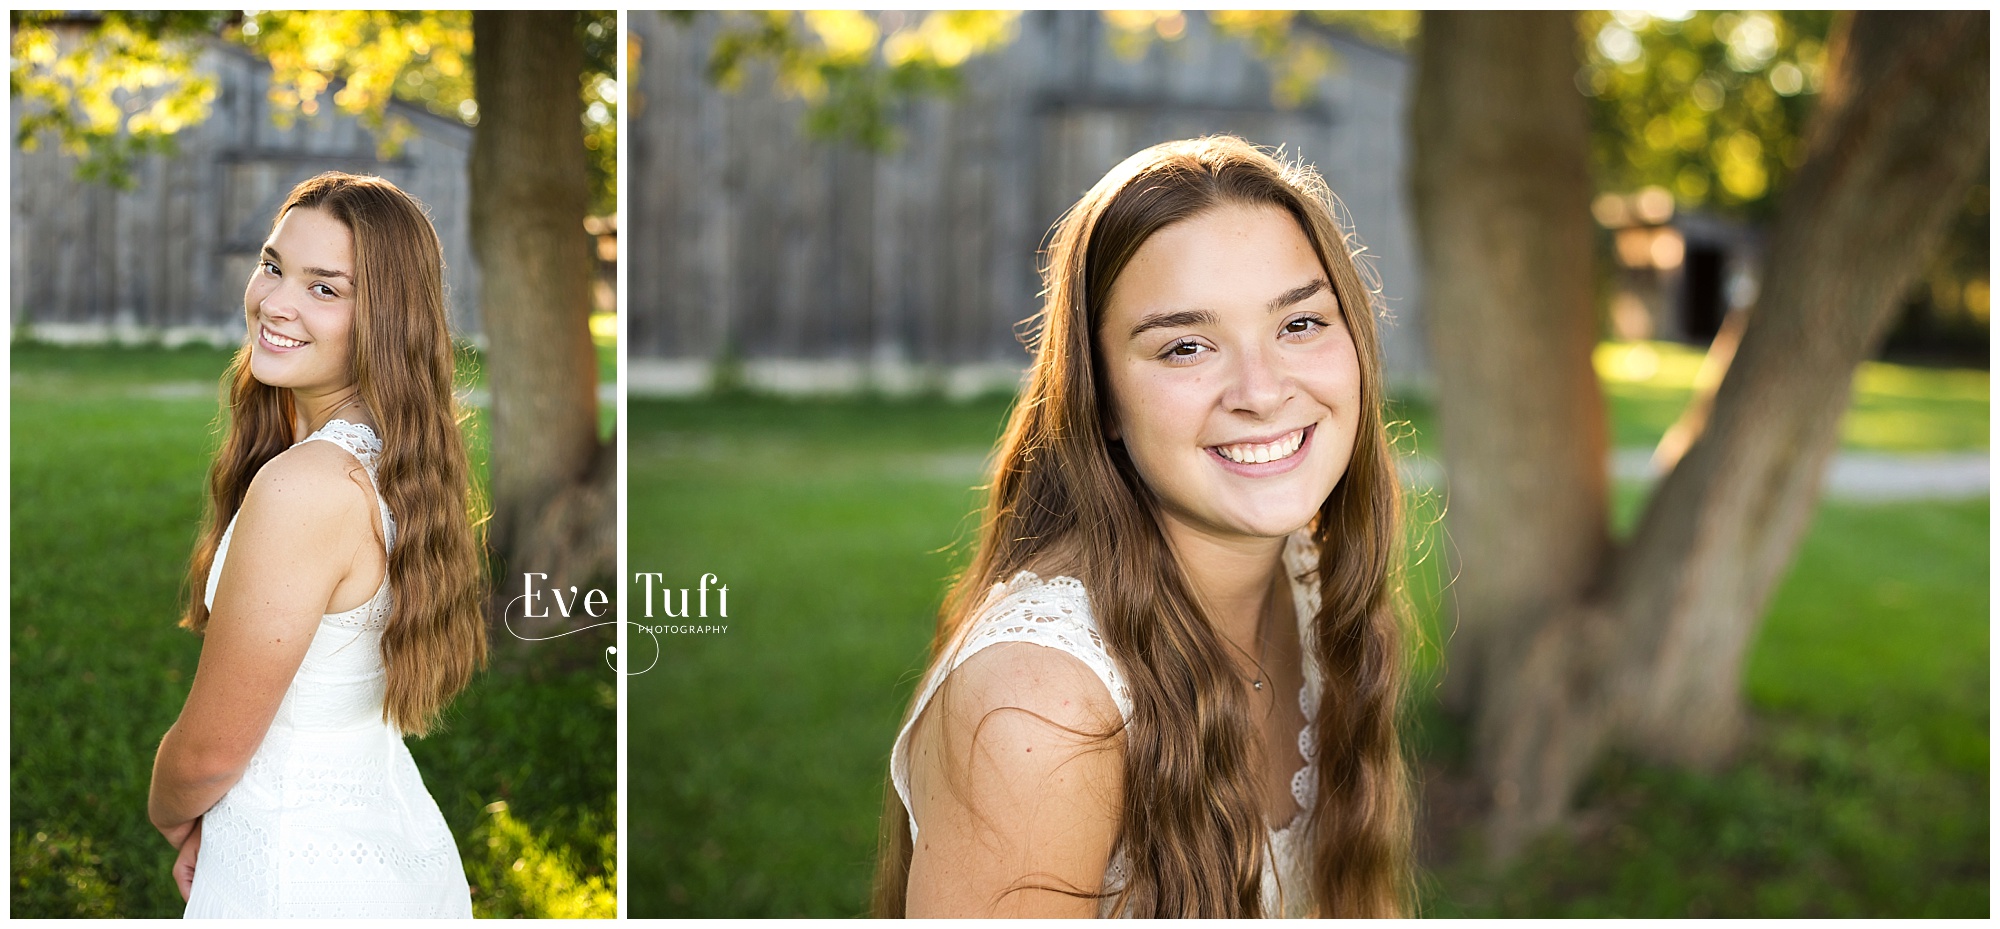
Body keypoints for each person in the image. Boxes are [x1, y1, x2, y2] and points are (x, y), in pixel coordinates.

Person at [875, 136, 1413, 918]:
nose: (1260, 392)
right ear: (1103, 400)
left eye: (1298, 324)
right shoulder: (1041, 706)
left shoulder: (1313, 576)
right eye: (1186, 346)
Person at [147, 172, 487, 918]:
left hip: (297, 871)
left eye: (324, 288)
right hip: (390, 838)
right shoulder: (396, 457)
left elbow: (209, 753)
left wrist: (171, 808)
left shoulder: (307, 487)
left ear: (386, 318)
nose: (275, 301)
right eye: (273, 266)